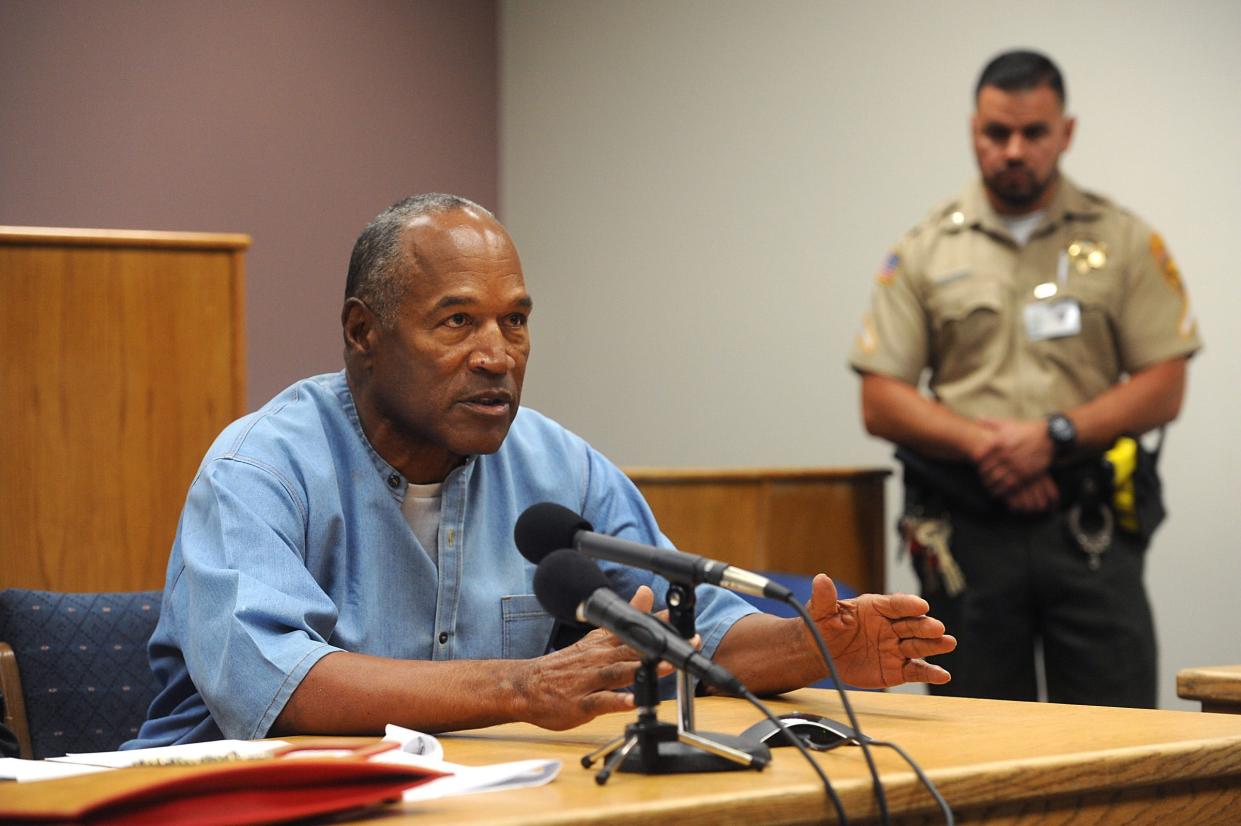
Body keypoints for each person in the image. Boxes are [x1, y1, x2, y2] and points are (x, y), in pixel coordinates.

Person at [128, 193, 955, 747]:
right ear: (362, 332)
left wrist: (813, 647)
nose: (497, 356)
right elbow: (276, 688)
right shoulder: (260, 469)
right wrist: (522, 689)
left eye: (514, 322)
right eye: (457, 322)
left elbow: (683, 627)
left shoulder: (558, 466)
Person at [849, 50, 1200, 708]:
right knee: (974, 755)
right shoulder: (926, 248)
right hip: (966, 536)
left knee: (1116, 748)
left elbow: (1164, 381)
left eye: (1033, 133)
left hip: (1088, 530)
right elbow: (879, 398)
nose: (1013, 150)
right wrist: (988, 446)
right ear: (971, 130)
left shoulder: (1122, 240)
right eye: (995, 133)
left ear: (1063, 133)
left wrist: (1054, 436)